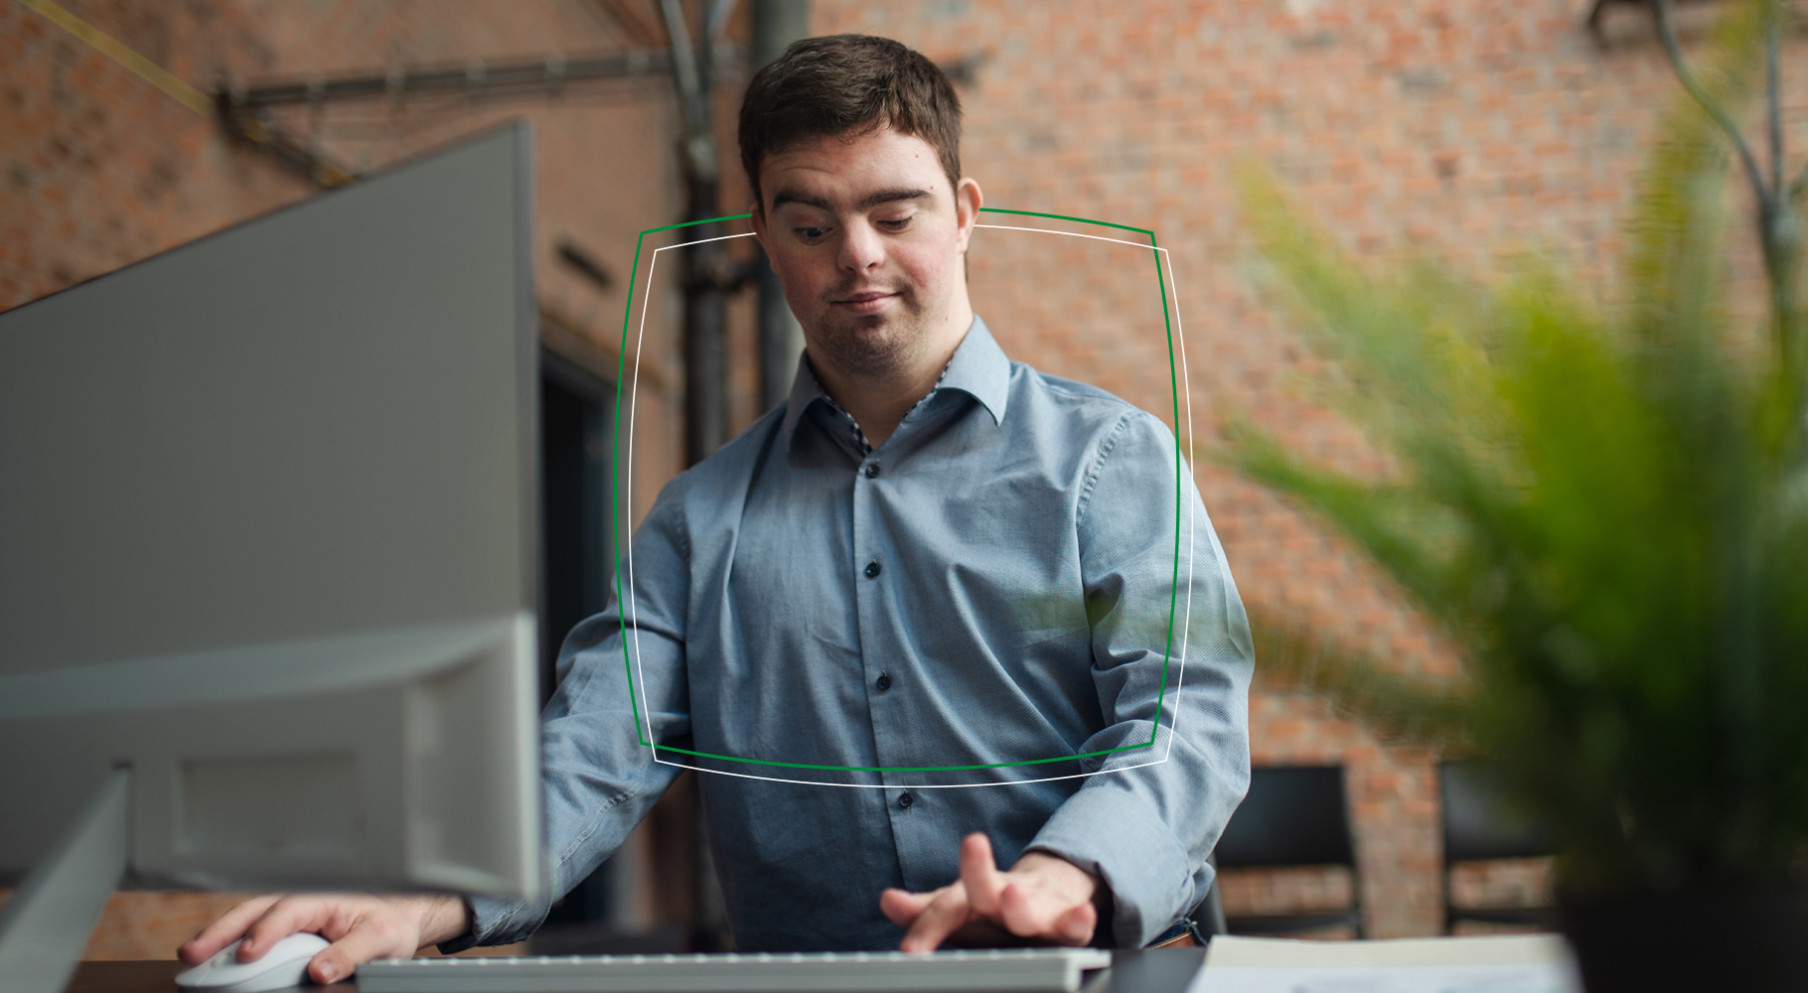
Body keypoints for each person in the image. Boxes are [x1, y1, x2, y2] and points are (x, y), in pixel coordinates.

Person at [179, 33, 1252, 985]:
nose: (859, 256)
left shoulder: (1111, 462)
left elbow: (1183, 719)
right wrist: (428, 898)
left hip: (1098, 977)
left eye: (894, 211)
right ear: (761, 236)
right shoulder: (696, 522)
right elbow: (590, 755)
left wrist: (1067, 874)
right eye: (811, 222)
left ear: (964, 214)